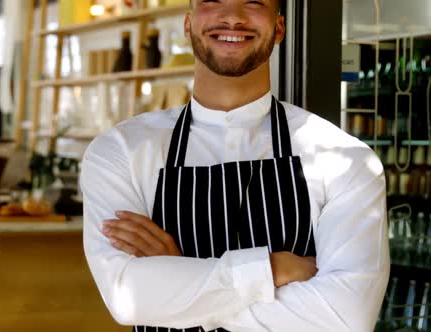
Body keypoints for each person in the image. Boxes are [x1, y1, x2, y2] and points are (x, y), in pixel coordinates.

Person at [80, 0, 390, 331]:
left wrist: (178, 282)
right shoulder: (120, 151)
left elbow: (345, 319)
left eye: (253, 2)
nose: (232, 17)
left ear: (279, 29)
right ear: (188, 25)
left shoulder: (344, 158)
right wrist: (270, 270)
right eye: (213, 1)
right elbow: (131, 299)